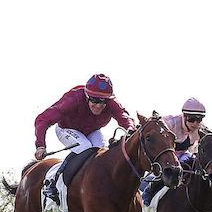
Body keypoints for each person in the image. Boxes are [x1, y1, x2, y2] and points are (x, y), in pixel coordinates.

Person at [34, 74, 136, 204]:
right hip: (66, 129)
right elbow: (42, 119)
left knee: (100, 156)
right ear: (87, 96)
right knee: (86, 149)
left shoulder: (112, 103)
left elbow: (124, 117)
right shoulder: (73, 99)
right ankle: (52, 183)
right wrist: (40, 145)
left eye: (103, 101)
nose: (99, 105)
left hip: (92, 131)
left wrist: (130, 128)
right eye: (94, 100)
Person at [142, 98, 206, 206]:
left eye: (199, 119)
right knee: (173, 167)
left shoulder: (201, 129)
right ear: (184, 116)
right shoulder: (170, 123)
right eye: (191, 119)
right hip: (165, 157)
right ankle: (149, 191)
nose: (195, 123)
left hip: (183, 154)